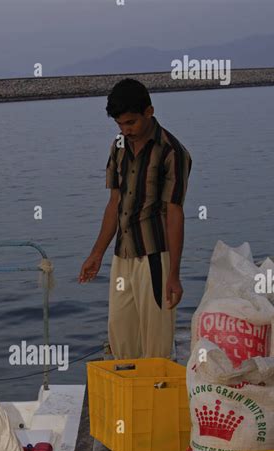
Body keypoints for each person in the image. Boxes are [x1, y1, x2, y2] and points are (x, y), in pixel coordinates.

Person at [79, 78, 192, 359]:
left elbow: (176, 213)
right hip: (122, 255)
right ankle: (129, 398)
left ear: (149, 112)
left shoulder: (172, 152)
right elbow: (114, 203)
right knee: (121, 336)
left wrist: (174, 275)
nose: (125, 130)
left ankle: (156, 397)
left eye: (131, 123)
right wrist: (96, 254)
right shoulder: (118, 147)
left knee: (156, 343)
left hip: (156, 256)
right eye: (120, 125)